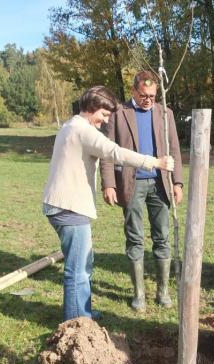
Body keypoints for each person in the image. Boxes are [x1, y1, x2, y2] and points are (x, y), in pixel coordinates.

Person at [42, 86, 174, 322]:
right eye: (103, 114)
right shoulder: (83, 130)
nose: (105, 121)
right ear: (92, 107)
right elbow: (115, 152)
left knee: (84, 264)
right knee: (78, 270)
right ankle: (76, 324)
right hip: (69, 208)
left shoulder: (71, 125)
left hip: (63, 205)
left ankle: (83, 312)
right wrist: (155, 162)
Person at [100, 71, 185, 313]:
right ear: (133, 91)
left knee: (162, 238)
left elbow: (175, 149)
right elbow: (107, 151)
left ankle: (163, 292)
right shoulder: (118, 113)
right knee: (134, 238)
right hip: (131, 184)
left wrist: (177, 182)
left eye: (152, 96)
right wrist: (109, 184)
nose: (148, 100)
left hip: (160, 185)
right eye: (143, 95)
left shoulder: (166, 113)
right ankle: (139, 295)